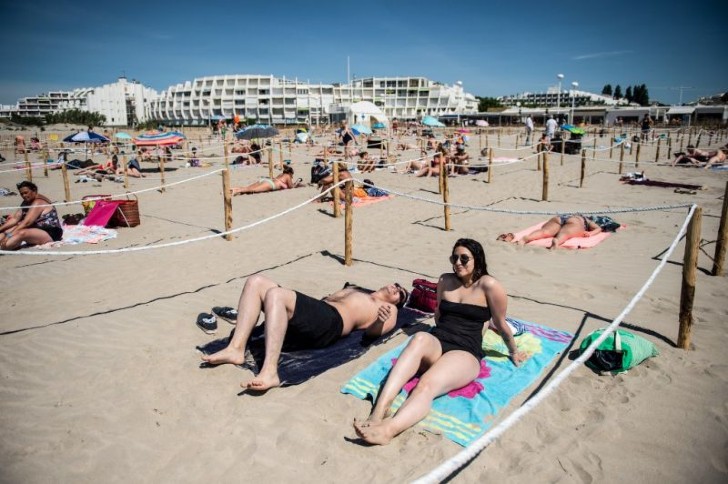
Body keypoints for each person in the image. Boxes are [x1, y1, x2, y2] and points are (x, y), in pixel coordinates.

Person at [353, 238, 527, 445]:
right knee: (419, 338)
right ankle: (378, 412)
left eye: (464, 258)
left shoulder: (489, 285)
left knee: (426, 385)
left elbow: (500, 323)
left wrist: (513, 351)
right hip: (439, 339)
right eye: (454, 258)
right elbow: (438, 315)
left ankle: (388, 431)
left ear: (477, 260)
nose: (458, 263)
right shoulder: (445, 280)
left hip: (465, 351)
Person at [201, 275, 409, 391]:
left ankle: (270, 371)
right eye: (397, 285)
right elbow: (325, 299)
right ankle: (236, 348)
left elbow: (372, 334)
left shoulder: (387, 310)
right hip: (318, 315)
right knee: (255, 282)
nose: (396, 289)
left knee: (276, 294)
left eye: (401, 293)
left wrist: (379, 322)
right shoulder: (356, 290)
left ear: (398, 303)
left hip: (331, 324)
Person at [0, 181, 63, 250]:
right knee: (7, 230)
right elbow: (15, 219)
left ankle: (3, 247)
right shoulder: (26, 201)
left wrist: (9, 236)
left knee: (22, 233)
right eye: (22, 194)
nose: (24, 195)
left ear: (34, 190)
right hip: (35, 229)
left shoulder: (39, 202)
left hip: (50, 232)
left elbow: (26, 223)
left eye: (26, 193)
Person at [502, 214, 602, 250]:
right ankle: (557, 241)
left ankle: (526, 238)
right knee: (565, 234)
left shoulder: (577, 215)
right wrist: (591, 233)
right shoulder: (587, 220)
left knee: (545, 231)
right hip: (575, 222)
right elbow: (598, 228)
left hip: (560, 217)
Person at [231, 165, 303, 195]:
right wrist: (297, 183)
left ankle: (233, 189)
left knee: (248, 188)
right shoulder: (288, 176)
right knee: (253, 190)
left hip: (267, 181)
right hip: (270, 184)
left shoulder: (281, 175)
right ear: (290, 173)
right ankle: (235, 191)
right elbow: (291, 187)